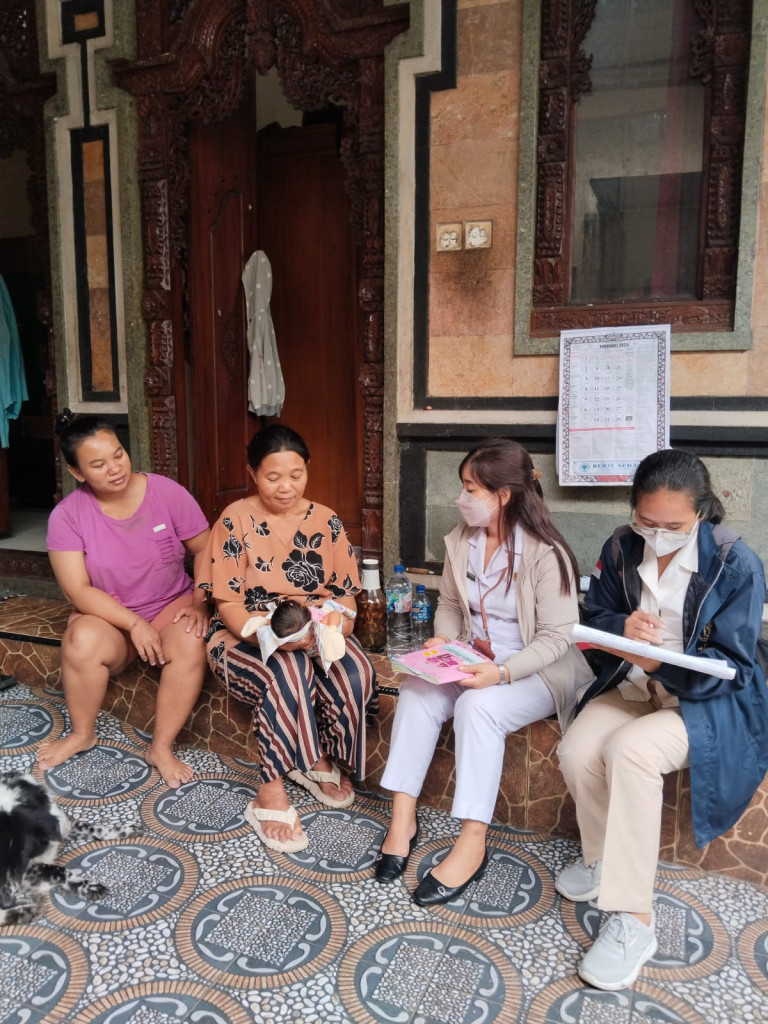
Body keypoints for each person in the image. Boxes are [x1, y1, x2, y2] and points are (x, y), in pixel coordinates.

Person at [556, 448, 768, 991]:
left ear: (701, 513)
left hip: (702, 703)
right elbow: (597, 616)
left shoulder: (737, 565)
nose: (657, 535)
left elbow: (735, 667)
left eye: (673, 527)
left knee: (630, 751)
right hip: (634, 685)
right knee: (577, 748)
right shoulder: (621, 547)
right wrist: (621, 628)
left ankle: (635, 920)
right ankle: (602, 860)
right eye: (646, 522)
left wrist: (660, 663)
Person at [375, 437, 593, 904]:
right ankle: (402, 820)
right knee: (416, 691)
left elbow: (557, 637)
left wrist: (502, 674)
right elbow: (451, 606)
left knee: (478, 708)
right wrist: (443, 640)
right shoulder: (462, 540)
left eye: (471, 489)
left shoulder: (546, 553)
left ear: (503, 495)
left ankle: (473, 843)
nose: (462, 498)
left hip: (536, 670)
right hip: (473, 659)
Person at [204, 424, 376, 854]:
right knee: (288, 671)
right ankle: (270, 789)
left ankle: (316, 757)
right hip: (247, 633)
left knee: (356, 670)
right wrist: (269, 636)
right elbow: (228, 603)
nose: (286, 487)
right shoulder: (234, 520)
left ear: (308, 469)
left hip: (315, 626)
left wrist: (333, 628)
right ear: (252, 473)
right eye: (273, 477)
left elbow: (345, 596)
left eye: (296, 475)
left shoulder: (327, 520)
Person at [38, 411, 211, 787]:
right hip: (110, 619)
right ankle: (82, 734)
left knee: (192, 639)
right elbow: (77, 591)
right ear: (77, 473)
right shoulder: (67, 517)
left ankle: (161, 747)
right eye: (98, 464)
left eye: (118, 454)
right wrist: (134, 624)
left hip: (170, 605)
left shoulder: (165, 492)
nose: (114, 468)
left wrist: (200, 602)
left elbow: (205, 547)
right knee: (82, 640)